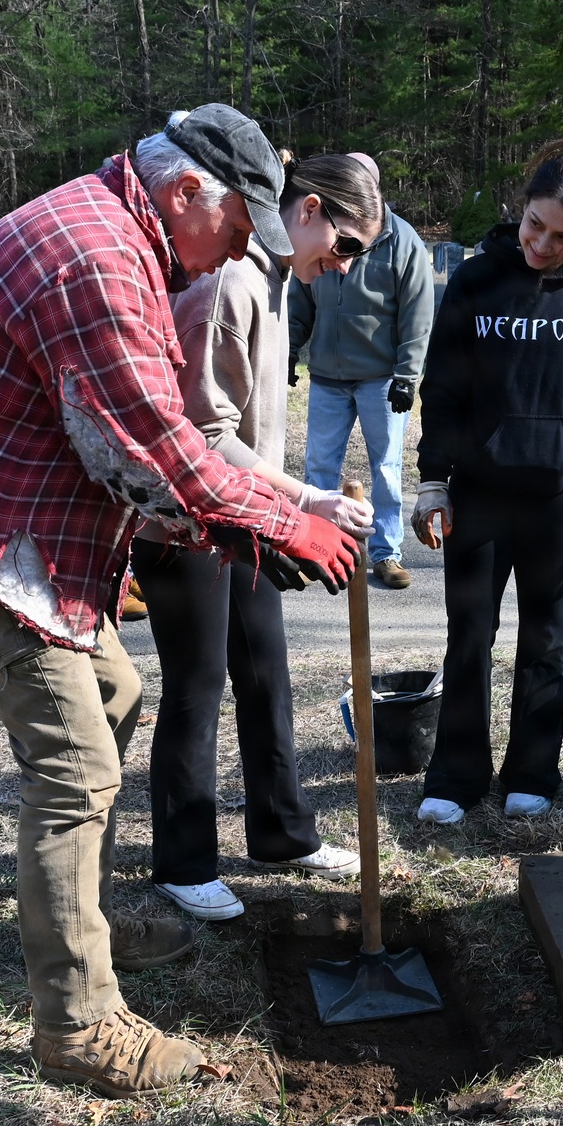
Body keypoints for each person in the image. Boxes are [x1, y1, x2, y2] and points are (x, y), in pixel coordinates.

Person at [0, 103, 362, 1099]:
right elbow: (161, 446)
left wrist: (244, 518)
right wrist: (277, 521)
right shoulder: (96, 259)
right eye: (229, 235)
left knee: (119, 696)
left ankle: (77, 913)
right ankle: (78, 1023)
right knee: (76, 765)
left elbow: (129, 444)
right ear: (185, 195)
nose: (227, 261)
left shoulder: (115, 230)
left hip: (28, 527)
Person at [132, 154, 384, 921]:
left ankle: (281, 834)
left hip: (246, 520)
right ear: (307, 210)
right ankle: (183, 862)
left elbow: (256, 428)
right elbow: (204, 437)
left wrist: (289, 504)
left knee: (266, 676)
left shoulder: (276, 284)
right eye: (343, 247)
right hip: (182, 523)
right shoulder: (230, 283)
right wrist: (308, 499)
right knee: (198, 687)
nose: (340, 267)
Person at [411, 137, 563, 825]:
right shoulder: (476, 282)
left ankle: (534, 771)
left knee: (546, 636)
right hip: (479, 493)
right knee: (468, 633)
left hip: (561, 498)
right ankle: (455, 774)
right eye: (534, 224)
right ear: (522, 207)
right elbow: (443, 389)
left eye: (562, 236)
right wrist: (431, 481)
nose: (542, 243)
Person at [288, 152, 435, 590]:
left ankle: (386, 553)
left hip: (381, 378)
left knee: (386, 470)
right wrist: (290, 353)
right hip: (329, 377)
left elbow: (417, 315)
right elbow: (301, 300)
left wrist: (407, 377)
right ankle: (317, 548)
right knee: (319, 469)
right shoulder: (321, 236)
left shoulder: (402, 241)